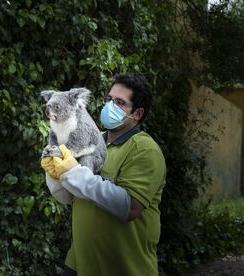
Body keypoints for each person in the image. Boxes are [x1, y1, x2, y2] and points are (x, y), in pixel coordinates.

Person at [41, 73, 167, 276]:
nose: (110, 106)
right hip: (77, 264)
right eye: (109, 99)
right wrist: (54, 175)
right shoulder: (93, 140)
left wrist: (73, 172)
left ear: (137, 113)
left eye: (119, 102)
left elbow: (129, 207)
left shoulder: (145, 149)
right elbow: (67, 198)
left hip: (123, 269)